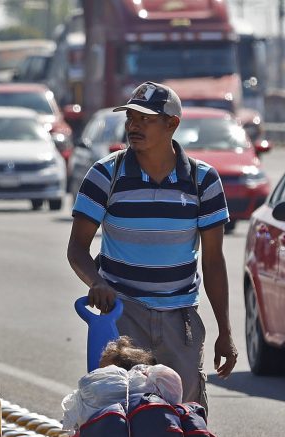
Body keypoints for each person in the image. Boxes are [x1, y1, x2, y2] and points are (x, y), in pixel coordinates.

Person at [66, 81, 237, 410]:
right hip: (122, 315)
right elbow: (77, 249)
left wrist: (225, 331)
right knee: (122, 412)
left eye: (146, 119)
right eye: (131, 117)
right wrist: (97, 282)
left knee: (182, 415)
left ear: (172, 124)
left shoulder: (204, 181)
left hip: (180, 318)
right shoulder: (105, 175)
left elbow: (213, 262)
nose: (134, 126)